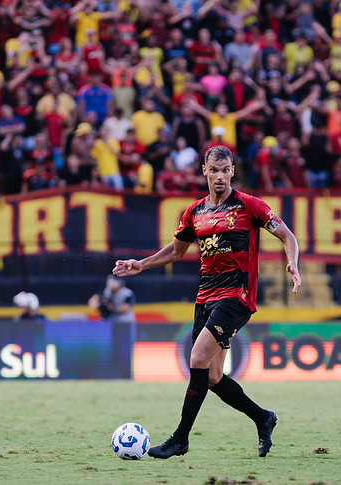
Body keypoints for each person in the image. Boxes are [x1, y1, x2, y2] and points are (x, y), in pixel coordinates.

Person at [113, 145, 301, 459]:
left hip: (236, 297)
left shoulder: (250, 205)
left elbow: (287, 236)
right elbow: (176, 251)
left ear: (232, 171)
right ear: (204, 171)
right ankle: (263, 418)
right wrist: (141, 264)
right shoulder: (194, 212)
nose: (220, 176)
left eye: (225, 170)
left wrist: (292, 262)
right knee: (212, 376)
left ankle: (180, 439)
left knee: (197, 358)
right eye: (214, 170)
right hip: (206, 297)